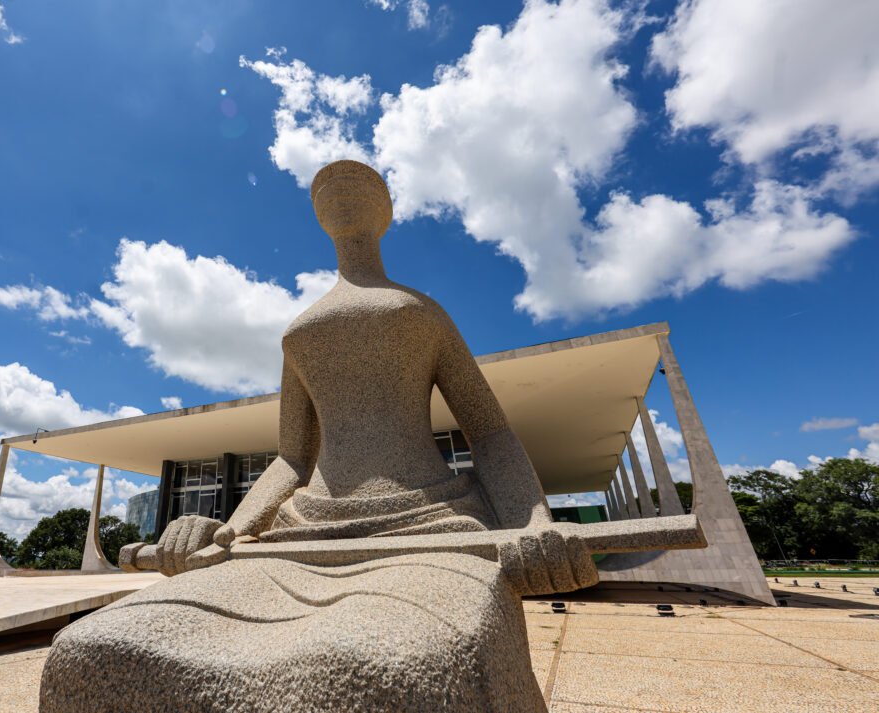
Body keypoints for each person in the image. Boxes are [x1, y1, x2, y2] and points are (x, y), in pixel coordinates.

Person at [40, 160, 597, 713]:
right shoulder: (300, 333)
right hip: (299, 535)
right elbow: (292, 458)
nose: (340, 184)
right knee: (95, 647)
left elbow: (490, 431)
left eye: (362, 182)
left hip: (431, 526)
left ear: (387, 213)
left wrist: (533, 524)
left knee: (401, 667)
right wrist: (228, 530)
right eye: (325, 186)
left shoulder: (422, 313)